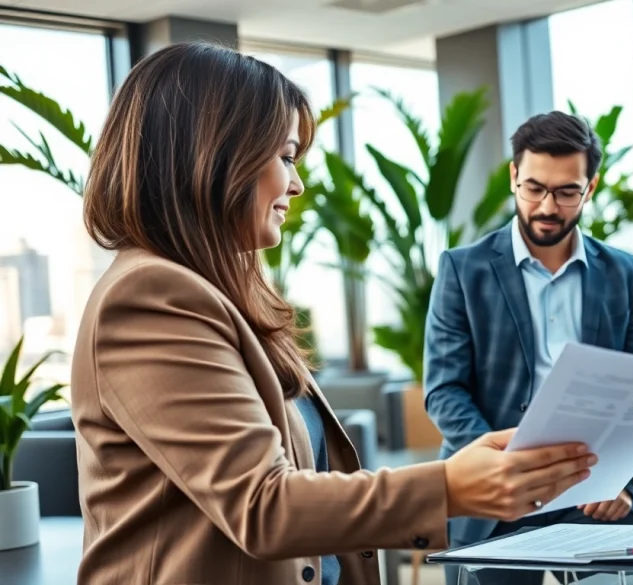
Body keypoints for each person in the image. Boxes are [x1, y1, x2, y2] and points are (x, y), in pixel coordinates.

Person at [70, 42, 598, 585]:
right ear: (211, 155)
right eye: (285, 157)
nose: (295, 183)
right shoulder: (150, 296)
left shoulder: (219, 291)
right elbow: (262, 503)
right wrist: (449, 487)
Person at [424, 111, 633, 585]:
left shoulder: (624, 273)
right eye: (534, 188)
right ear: (514, 177)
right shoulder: (462, 269)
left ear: (590, 187)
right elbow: (444, 391)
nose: (547, 206)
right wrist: (506, 470)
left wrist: (619, 477)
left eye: (567, 191)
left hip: (596, 487)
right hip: (496, 490)